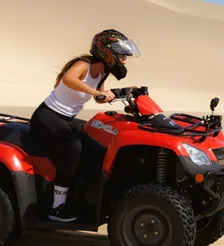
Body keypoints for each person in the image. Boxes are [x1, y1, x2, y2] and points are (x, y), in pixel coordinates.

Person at [29, 29, 140, 222]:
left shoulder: (102, 73)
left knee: (97, 141)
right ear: (107, 52)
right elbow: (68, 79)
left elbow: (99, 97)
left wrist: (117, 94)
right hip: (47, 116)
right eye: (121, 55)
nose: (123, 60)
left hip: (67, 119)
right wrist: (95, 92)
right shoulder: (84, 65)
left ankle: (83, 196)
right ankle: (57, 207)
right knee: (73, 147)